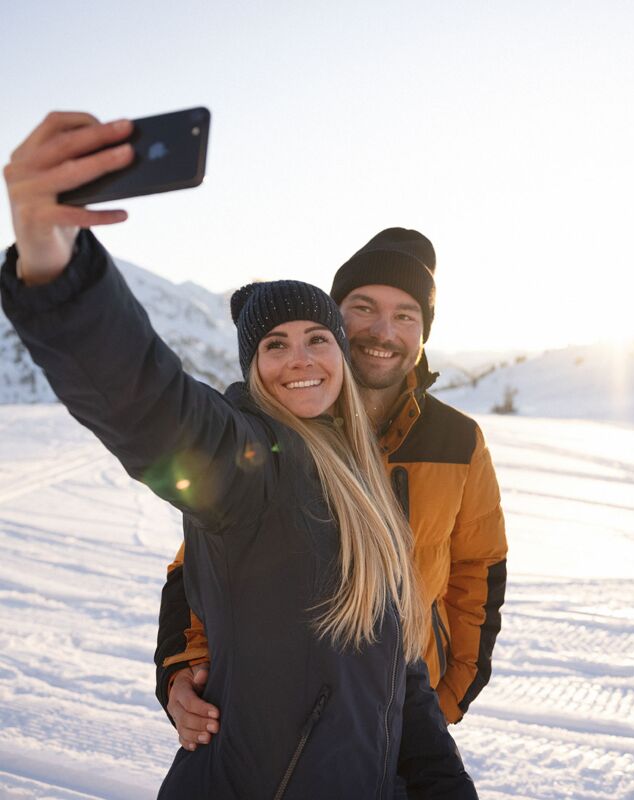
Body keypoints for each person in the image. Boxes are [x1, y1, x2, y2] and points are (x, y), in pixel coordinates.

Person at [1, 111, 478, 800]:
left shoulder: (362, 482)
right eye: (274, 345)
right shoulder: (252, 464)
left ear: (341, 357)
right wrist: (53, 263)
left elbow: (398, 678)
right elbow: (148, 405)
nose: (301, 359)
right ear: (253, 369)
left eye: (318, 337)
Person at [158, 227, 509, 757]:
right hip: (275, 720)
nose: (382, 331)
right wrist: (183, 671)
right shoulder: (278, 431)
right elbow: (201, 565)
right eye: (363, 308)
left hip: (405, 719)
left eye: (406, 315)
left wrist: (447, 699)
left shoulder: (458, 440)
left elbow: (478, 569)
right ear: (333, 320)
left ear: (423, 332)